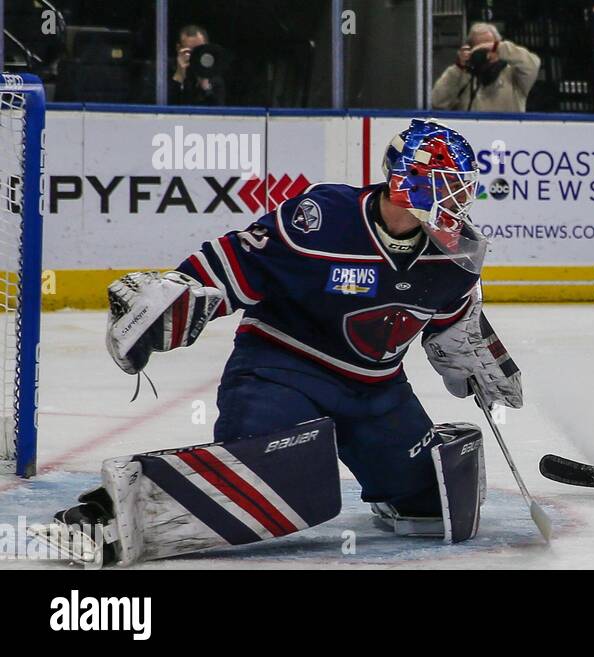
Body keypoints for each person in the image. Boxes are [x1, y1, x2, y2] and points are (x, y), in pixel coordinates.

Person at [36, 121, 523, 566]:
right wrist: (177, 295)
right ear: (408, 180)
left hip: (377, 394)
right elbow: (235, 264)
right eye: (449, 185)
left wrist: (475, 353)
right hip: (282, 374)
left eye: (463, 187)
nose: (461, 200)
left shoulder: (455, 256)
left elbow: (454, 319)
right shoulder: (325, 217)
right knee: (274, 482)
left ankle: (395, 483)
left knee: (437, 505)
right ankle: (109, 517)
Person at [431, 22, 541, 113]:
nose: (486, 53)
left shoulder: (513, 74)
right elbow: (437, 102)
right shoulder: (461, 75)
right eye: (479, 48)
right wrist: (458, 69)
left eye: (488, 46)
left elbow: (532, 64)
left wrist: (499, 48)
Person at [168, 24, 226, 106]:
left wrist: (205, 86)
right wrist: (179, 76)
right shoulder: (163, 70)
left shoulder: (214, 76)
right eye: (190, 51)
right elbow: (159, 107)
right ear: (179, 48)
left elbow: (219, 112)